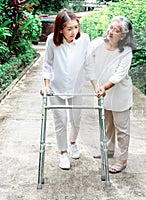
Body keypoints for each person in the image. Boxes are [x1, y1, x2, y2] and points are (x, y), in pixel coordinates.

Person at [40, 9, 98, 170]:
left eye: (76, 27)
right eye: (69, 28)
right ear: (60, 29)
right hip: (56, 88)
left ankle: (73, 143)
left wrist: (96, 87)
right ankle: (63, 153)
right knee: (61, 121)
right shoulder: (52, 40)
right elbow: (48, 65)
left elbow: (89, 65)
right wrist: (46, 86)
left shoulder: (84, 39)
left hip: (76, 87)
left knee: (75, 119)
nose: (74, 32)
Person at [88, 16, 135, 173]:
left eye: (116, 30)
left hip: (119, 94)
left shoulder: (126, 51)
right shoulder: (99, 44)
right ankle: (109, 150)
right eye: (111, 28)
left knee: (122, 128)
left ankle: (122, 159)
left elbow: (118, 75)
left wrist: (104, 87)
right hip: (104, 92)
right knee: (107, 124)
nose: (111, 32)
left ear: (123, 36)